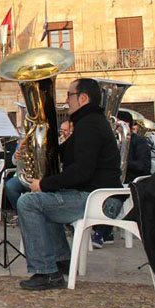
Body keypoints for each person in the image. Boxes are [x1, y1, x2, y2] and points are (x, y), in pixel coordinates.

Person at [16, 78, 122, 291]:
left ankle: (46, 272)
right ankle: (60, 259)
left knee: (28, 203)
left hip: (99, 200)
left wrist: (45, 184)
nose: (66, 101)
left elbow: (82, 171)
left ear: (83, 98)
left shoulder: (90, 125)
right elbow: (61, 154)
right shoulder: (88, 122)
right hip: (95, 196)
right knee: (39, 202)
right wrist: (29, 150)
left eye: (69, 96)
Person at [91, 110, 152, 248]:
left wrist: (122, 161)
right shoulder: (111, 142)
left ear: (126, 125)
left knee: (115, 197)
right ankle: (103, 230)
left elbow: (144, 166)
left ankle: (101, 232)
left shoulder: (139, 142)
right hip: (113, 180)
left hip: (131, 182)